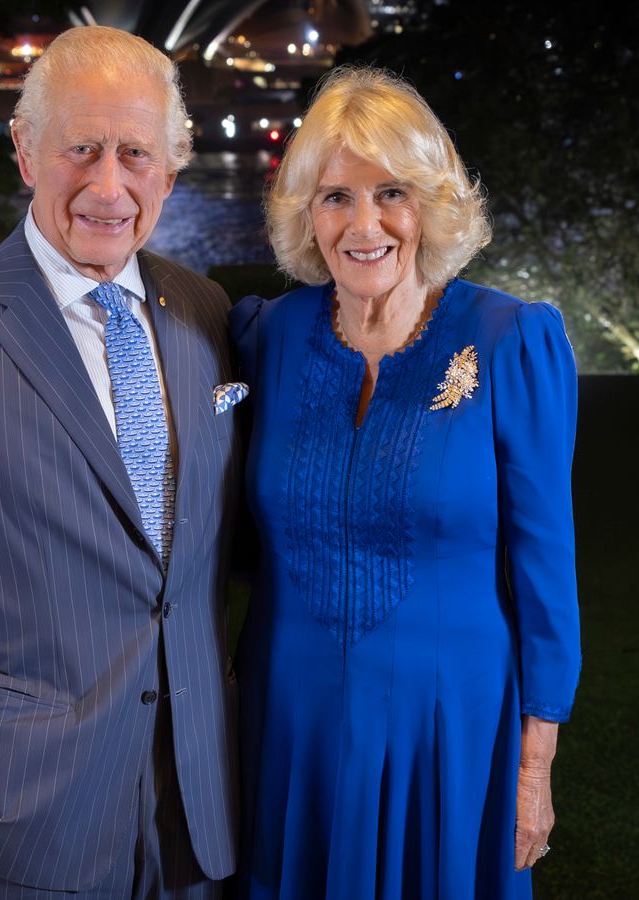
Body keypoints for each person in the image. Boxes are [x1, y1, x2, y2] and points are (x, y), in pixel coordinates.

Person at [0, 25, 243, 899]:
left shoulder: (206, 313)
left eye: (136, 153)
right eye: (81, 149)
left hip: (200, 817)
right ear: (25, 151)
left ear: (170, 173)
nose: (109, 185)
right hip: (19, 819)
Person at [230, 67, 582, 899]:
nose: (364, 224)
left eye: (391, 191)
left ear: (431, 199)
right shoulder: (267, 339)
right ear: (305, 214)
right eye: (335, 197)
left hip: (450, 736)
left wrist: (534, 766)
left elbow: (546, 572)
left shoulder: (508, 342)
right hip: (290, 729)